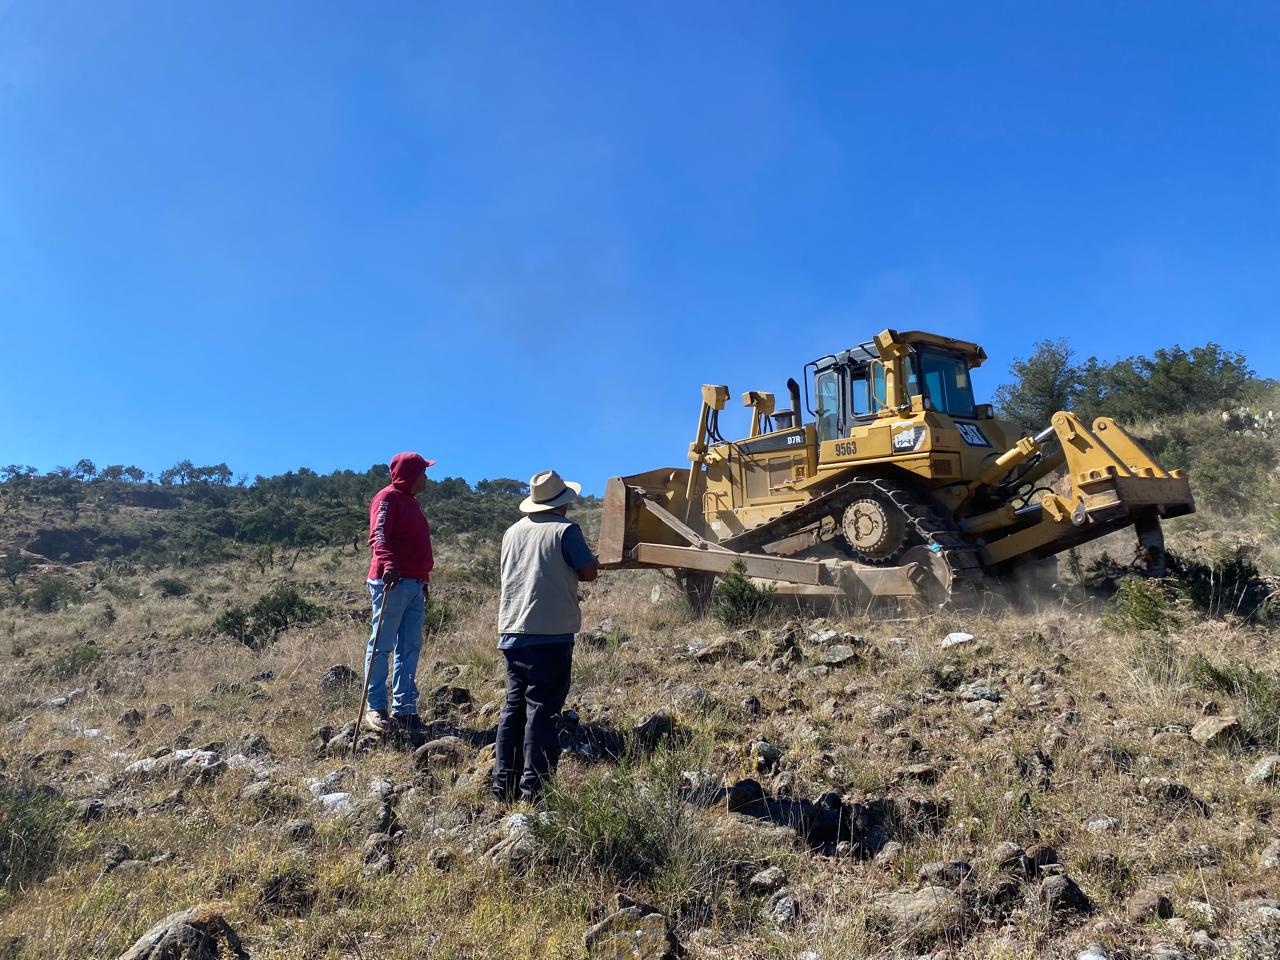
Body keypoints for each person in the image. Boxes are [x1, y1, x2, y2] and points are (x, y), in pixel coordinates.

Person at [493, 469, 597, 803]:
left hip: (512, 630)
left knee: (514, 708)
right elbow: (588, 573)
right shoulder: (566, 531)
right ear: (563, 503)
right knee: (542, 711)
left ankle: (502, 786)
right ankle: (534, 791)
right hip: (550, 633)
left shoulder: (512, 531)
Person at [364, 452, 435, 735]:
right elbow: (378, 535)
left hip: (414, 583)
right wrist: (389, 564)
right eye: (423, 472)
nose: (426, 477)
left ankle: (405, 709)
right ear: (410, 475)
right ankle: (376, 707)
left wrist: (424, 579)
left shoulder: (412, 503)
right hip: (391, 582)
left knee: (409, 647)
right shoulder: (387, 498)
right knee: (382, 645)